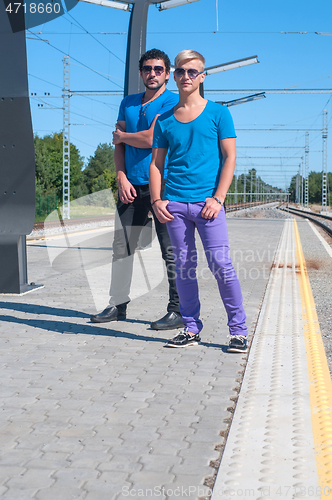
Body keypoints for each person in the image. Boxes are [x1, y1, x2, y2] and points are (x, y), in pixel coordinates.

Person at [149, 49, 248, 351]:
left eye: (193, 72)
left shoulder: (219, 113)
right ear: (174, 75)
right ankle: (191, 328)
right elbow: (156, 164)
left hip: (209, 205)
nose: (186, 77)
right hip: (175, 205)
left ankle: (239, 330)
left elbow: (230, 158)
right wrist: (157, 201)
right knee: (183, 268)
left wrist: (218, 198)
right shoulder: (164, 120)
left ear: (202, 77)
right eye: (180, 71)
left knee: (221, 264)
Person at [90, 48, 183, 331]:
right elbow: (117, 143)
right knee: (122, 248)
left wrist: (124, 135)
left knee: (171, 249)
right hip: (131, 185)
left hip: (165, 185)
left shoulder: (173, 102)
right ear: (140, 72)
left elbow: (150, 139)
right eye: (147, 69)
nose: (151, 73)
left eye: (158, 69)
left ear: (167, 73)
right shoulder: (128, 103)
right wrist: (121, 176)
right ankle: (117, 306)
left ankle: (178, 310)